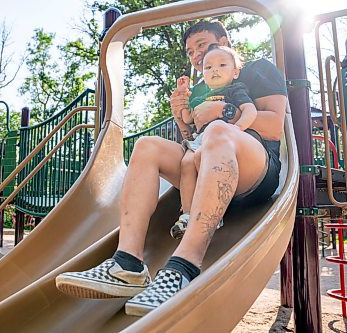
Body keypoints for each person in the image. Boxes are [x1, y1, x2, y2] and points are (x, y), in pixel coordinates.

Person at [55, 20, 287, 317]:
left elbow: (274, 126)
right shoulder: (204, 86)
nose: (196, 56)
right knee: (147, 146)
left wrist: (226, 113)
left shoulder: (255, 70)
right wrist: (182, 118)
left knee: (217, 131)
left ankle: (185, 266)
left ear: (224, 41)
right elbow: (194, 142)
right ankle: (128, 264)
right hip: (208, 165)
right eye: (191, 52)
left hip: (256, 170)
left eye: (202, 45)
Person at [170, 44, 257, 239]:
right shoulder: (200, 96)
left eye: (222, 65)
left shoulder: (235, 90)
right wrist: (183, 95)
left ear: (235, 72)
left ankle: (212, 212)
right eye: (208, 67)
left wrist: (238, 128)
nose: (214, 69)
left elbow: (250, 110)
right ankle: (187, 214)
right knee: (186, 163)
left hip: (222, 138)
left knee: (204, 161)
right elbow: (188, 118)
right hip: (201, 138)